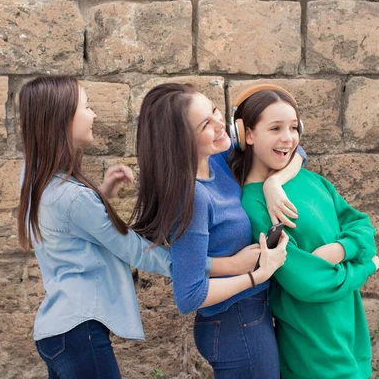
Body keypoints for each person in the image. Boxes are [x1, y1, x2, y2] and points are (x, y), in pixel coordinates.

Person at [17, 77, 251, 379]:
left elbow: (62, 223)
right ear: (61, 120)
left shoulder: (38, 177)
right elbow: (137, 251)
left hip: (58, 332)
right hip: (78, 331)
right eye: (87, 107)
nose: (95, 115)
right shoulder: (73, 197)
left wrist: (101, 193)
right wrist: (225, 264)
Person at [130, 83, 307, 379]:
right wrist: (256, 275)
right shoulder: (195, 197)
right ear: (182, 140)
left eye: (214, 112)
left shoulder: (217, 159)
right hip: (235, 322)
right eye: (205, 124)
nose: (219, 125)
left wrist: (273, 183)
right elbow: (190, 296)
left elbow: (295, 147)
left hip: (249, 314)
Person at [230, 84, 379, 379]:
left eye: (293, 128)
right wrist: (365, 267)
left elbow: (363, 226)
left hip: (351, 339)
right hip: (312, 351)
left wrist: (340, 249)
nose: (287, 138)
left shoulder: (312, 181)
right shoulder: (254, 206)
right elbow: (309, 283)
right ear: (247, 135)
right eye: (275, 128)